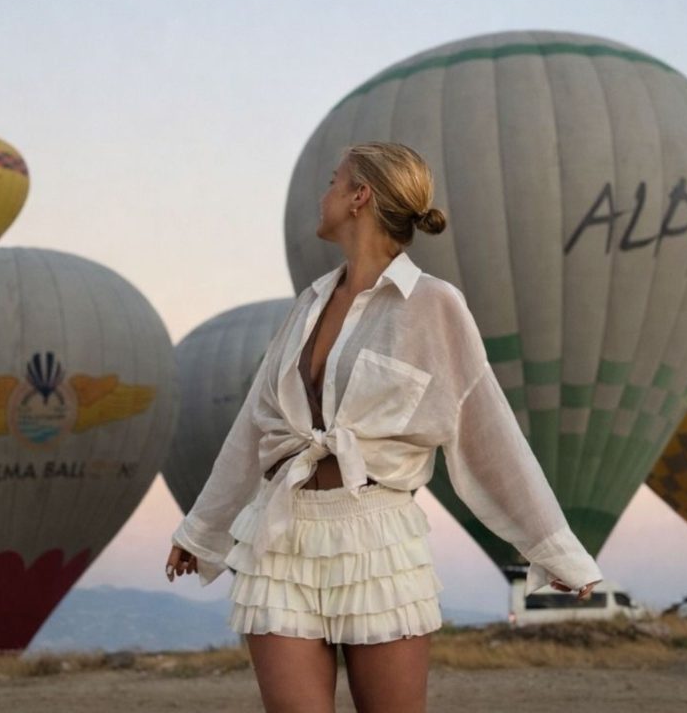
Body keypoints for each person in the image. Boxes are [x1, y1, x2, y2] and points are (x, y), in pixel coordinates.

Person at [166, 141, 602, 713]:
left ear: (359, 196)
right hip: (280, 538)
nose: (322, 195)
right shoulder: (308, 305)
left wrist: (553, 547)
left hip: (378, 539)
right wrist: (200, 531)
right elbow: (255, 427)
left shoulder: (434, 305)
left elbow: (485, 426)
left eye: (332, 181)